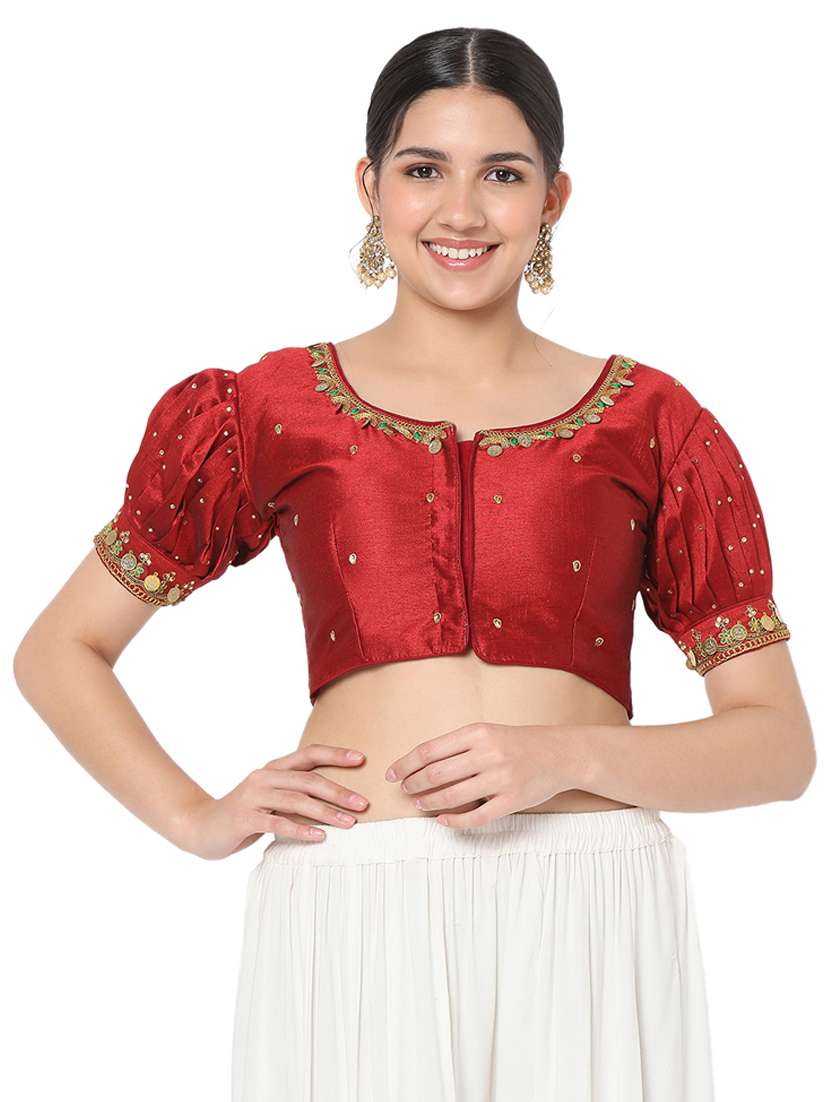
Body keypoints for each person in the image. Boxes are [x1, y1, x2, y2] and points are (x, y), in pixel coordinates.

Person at [13, 25, 815, 1102]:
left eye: (503, 174)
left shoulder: (652, 421)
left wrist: (563, 757)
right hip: (354, 905)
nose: (461, 212)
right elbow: (60, 650)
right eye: (424, 169)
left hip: (588, 910)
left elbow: (777, 747)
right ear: (370, 185)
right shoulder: (268, 408)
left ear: (554, 199)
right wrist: (196, 818)